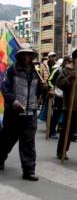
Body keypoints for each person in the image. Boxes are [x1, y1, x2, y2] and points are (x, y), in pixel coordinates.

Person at [0, 43, 46, 181]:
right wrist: (14, 102)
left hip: (30, 113)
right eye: (25, 54)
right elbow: (5, 88)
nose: (27, 57)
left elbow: (37, 91)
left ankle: (29, 170)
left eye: (29, 54)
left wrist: (44, 89)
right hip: (14, 114)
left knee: (28, 143)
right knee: (7, 140)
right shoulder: (12, 70)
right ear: (20, 56)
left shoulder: (35, 72)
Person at [48, 56, 71, 139]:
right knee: (56, 115)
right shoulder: (58, 70)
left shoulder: (72, 72)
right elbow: (49, 80)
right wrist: (51, 88)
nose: (68, 64)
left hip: (68, 97)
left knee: (67, 115)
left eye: (70, 62)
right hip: (58, 96)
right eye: (67, 62)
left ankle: (63, 131)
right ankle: (52, 131)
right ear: (64, 62)